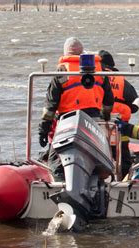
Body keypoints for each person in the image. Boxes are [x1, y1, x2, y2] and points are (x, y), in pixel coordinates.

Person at [38, 37, 114, 181]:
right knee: (102, 159)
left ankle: (63, 187)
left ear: (66, 53)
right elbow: (109, 100)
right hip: (94, 122)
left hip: (68, 122)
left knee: (55, 162)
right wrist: (105, 117)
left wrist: (43, 129)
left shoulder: (62, 71)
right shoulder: (99, 71)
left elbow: (50, 106)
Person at [98, 50, 139, 178]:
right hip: (120, 130)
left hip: (96, 127)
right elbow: (135, 105)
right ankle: (123, 180)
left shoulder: (93, 77)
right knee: (124, 160)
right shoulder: (121, 80)